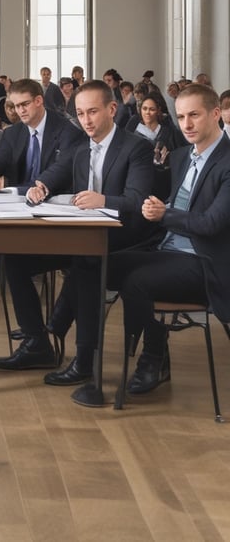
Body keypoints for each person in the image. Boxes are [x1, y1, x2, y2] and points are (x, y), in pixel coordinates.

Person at [0, 81, 155, 387]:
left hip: (124, 237)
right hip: (84, 234)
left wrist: (103, 200)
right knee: (14, 258)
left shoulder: (137, 148)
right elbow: (55, 173)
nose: (86, 120)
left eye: (93, 111)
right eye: (80, 113)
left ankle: (84, 359)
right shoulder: (80, 147)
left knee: (84, 261)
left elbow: (137, 201)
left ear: (112, 109)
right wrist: (41, 187)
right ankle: (38, 343)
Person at [108, 84, 230, 397]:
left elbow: (211, 223)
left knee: (138, 282)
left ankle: (152, 358)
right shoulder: (180, 157)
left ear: (216, 114)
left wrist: (164, 214)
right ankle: (80, 353)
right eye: (180, 117)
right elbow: (159, 199)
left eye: (194, 115)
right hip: (170, 250)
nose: (186, 124)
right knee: (102, 264)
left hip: (205, 262)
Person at [0, 78, 85, 194]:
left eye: (25, 104)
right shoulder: (12, 133)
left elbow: (59, 173)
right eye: (17, 106)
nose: (21, 111)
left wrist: (3, 187)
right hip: (15, 204)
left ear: (39, 101)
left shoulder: (68, 131)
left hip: (52, 201)